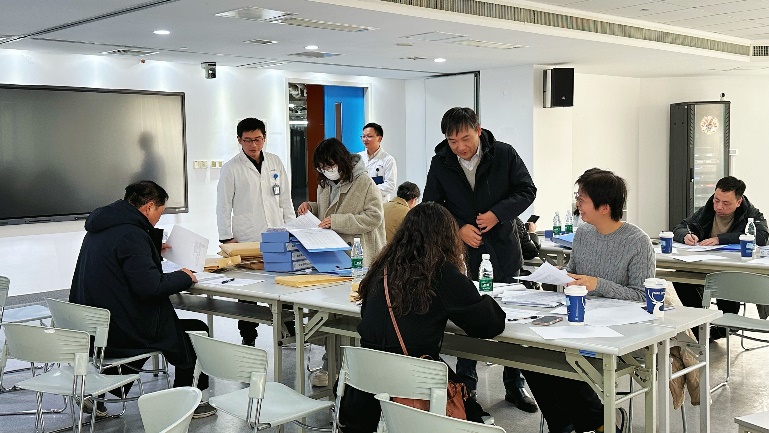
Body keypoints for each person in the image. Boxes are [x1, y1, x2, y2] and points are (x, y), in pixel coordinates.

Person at [337, 202, 506, 433]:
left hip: (362, 403)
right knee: (474, 411)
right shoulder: (441, 273)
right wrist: (479, 294)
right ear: (447, 238)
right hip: (413, 405)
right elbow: (490, 325)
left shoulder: (380, 270)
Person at [423, 107, 538, 412]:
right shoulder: (441, 162)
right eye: (452, 141)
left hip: (503, 248)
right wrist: (458, 228)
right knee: (467, 314)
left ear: (478, 130)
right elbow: (432, 204)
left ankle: (514, 384)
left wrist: (497, 214)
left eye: (465, 138)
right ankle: (466, 384)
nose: (460, 147)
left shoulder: (504, 154)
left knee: (511, 316)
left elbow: (527, 190)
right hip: (462, 251)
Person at [70, 181, 215, 418]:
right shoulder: (132, 235)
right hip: (122, 326)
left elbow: (120, 260)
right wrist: (184, 276)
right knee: (194, 332)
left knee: (164, 330)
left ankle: (98, 393)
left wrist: (151, 250)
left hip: (97, 323)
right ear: (149, 207)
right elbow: (150, 287)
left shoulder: (103, 226)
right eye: (160, 212)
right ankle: (186, 402)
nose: (159, 219)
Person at [525, 169, 654, 433]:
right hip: (578, 320)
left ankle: (597, 423)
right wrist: (562, 276)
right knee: (531, 357)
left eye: (582, 199)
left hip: (618, 329)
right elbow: (574, 272)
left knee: (563, 358)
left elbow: (643, 296)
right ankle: (574, 425)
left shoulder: (638, 242)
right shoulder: (583, 233)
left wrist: (598, 284)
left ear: (604, 207)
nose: (577, 205)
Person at [298, 137, 386, 387]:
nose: (326, 170)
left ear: (342, 161)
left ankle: (355, 370)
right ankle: (331, 364)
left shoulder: (364, 182)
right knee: (331, 314)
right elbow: (326, 211)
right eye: (322, 167)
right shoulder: (325, 184)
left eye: (330, 165)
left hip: (359, 256)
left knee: (354, 316)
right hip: (332, 255)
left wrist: (338, 221)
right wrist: (311, 208)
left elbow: (374, 217)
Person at [217, 118, 294, 347]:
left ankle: (288, 330)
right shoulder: (231, 167)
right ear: (239, 140)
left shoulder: (275, 162)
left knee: (281, 282)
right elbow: (223, 205)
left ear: (264, 138)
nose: (253, 144)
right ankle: (248, 335)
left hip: (277, 232)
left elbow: (285, 199)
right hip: (246, 236)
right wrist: (227, 238)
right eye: (248, 140)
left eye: (258, 139)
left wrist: (293, 229)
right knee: (247, 288)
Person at [671, 175, 768, 339]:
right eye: (716, 200)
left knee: (726, 282)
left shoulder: (751, 214)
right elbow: (680, 227)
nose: (718, 206)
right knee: (680, 276)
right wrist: (686, 235)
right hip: (705, 265)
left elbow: (761, 237)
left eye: (726, 203)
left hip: (734, 271)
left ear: (738, 202)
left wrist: (721, 239)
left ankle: (724, 328)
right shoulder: (707, 210)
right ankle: (700, 326)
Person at [358, 122, 397, 201]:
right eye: (363, 136)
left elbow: (390, 185)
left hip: (379, 202)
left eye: (369, 136)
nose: (365, 139)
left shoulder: (388, 160)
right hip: (360, 201)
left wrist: (369, 190)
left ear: (379, 138)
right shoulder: (358, 157)